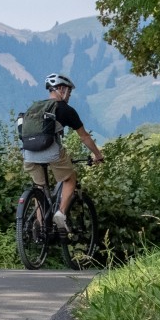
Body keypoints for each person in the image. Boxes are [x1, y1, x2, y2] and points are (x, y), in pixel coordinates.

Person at [23, 73, 104, 231]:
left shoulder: (35, 107)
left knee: (40, 187)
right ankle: (60, 213)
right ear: (61, 89)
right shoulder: (65, 110)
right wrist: (98, 155)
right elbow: (84, 137)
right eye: (69, 92)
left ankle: (40, 227)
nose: (69, 95)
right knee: (70, 178)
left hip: (28, 154)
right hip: (50, 151)